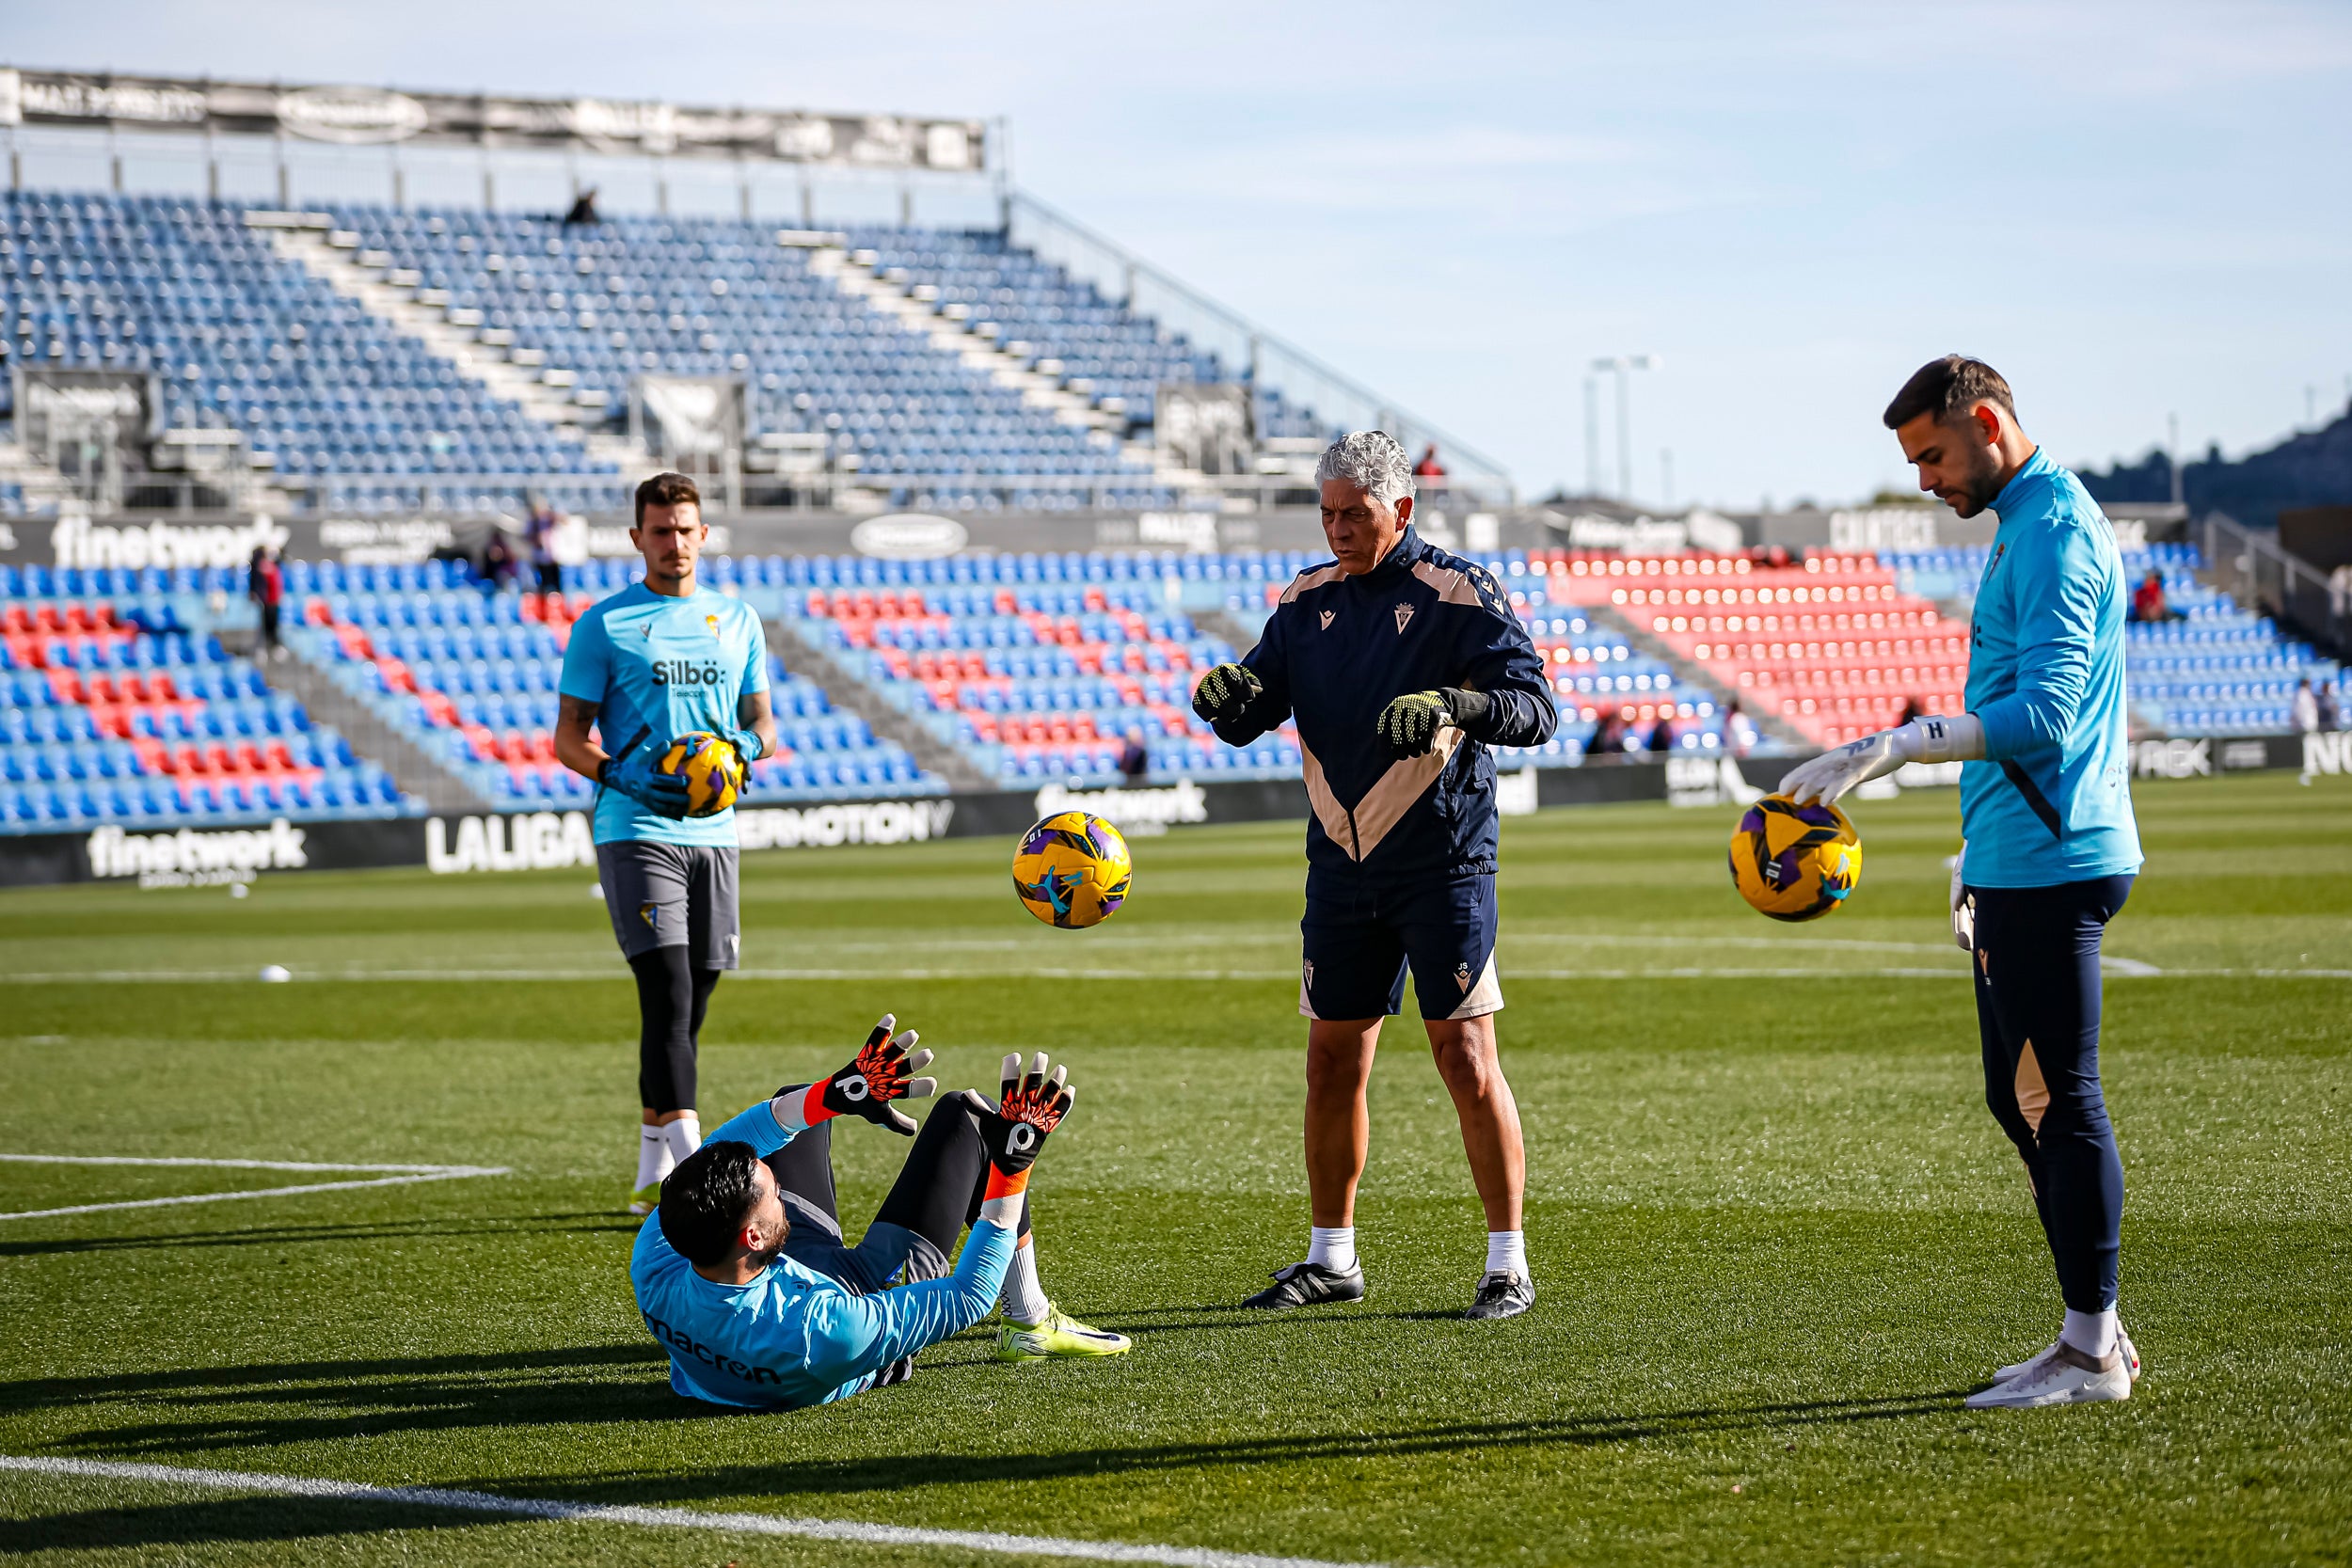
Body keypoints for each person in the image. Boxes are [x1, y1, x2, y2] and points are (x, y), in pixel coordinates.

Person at [1780, 356, 2143, 1409]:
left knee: (2056, 1097)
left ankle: (2092, 1348)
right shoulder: (2025, 525)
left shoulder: (2057, 530)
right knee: (2020, 1095)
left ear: (1987, 422)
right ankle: (2092, 1332)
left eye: (1932, 455)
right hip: (2015, 856)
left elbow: (2047, 718)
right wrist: (1973, 859)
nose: (1926, 479)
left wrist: (1894, 745)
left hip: (2055, 857)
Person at [1190, 430, 1557, 1321]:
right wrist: (1228, 703)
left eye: (1356, 513)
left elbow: (1536, 709)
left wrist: (1453, 703)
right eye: (1327, 512)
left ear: (1404, 508)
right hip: (1340, 862)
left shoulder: (1459, 592)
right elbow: (1261, 702)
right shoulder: (1305, 599)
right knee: (1330, 1062)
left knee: (1465, 1057)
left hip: (1442, 861)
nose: (1338, 529)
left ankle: (1506, 1263)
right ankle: (1331, 1257)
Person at [635, 1028, 1125, 1409]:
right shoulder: (829, 1330)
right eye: (772, 1193)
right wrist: (1012, 1169)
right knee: (969, 1120)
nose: (779, 1187)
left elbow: (717, 1159)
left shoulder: (661, 1256)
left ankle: (823, 1096)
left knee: (799, 1105)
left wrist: (832, 1094)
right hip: (855, 1298)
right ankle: (1030, 1321)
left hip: (775, 1289)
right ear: (755, 1235)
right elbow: (970, 1296)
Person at [554, 472, 780, 1214]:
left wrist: (738, 752)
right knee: (669, 992)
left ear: (703, 534)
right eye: (659, 530)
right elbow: (566, 739)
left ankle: (652, 1162)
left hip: (715, 831)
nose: (673, 542)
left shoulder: (738, 619)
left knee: (694, 998)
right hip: (636, 827)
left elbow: (766, 728)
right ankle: (698, 1183)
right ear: (636, 537)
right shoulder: (606, 624)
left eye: (685, 529)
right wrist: (624, 775)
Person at [246, 545, 283, 662]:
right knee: (262, 628)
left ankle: (274, 647)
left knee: (272, 627)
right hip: (265, 602)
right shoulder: (261, 567)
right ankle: (261, 650)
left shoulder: (273, 566)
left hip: (274, 602)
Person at [527, 497, 564, 595]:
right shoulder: (533, 523)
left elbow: (563, 520)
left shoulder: (550, 520)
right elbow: (527, 536)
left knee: (556, 583)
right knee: (542, 583)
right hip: (540, 558)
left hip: (553, 558)